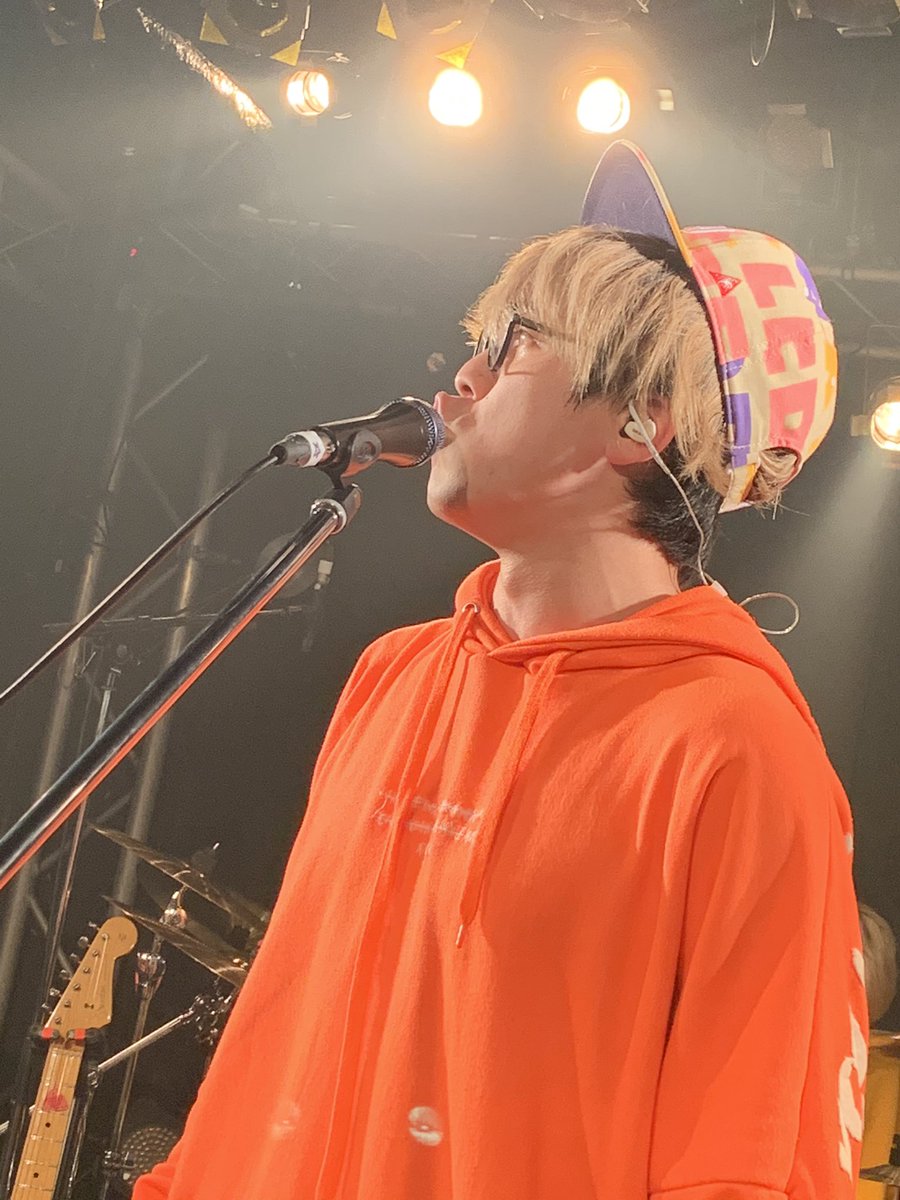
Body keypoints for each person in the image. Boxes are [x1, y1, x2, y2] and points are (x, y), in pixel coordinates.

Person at [134, 142, 868, 1200]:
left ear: (642, 419)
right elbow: (279, 1023)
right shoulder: (395, 674)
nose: (462, 378)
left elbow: (745, 1161)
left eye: (513, 345)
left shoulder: (737, 747)